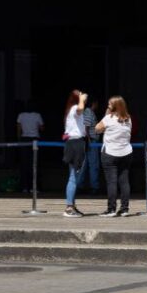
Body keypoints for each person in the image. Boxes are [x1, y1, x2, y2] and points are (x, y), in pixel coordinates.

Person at [95, 96, 133, 217]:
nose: (108, 106)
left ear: (116, 106)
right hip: (126, 152)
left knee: (111, 182)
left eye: (110, 104)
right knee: (124, 181)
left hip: (110, 153)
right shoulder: (128, 119)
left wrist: (106, 115)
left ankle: (111, 209)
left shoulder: (108, 118)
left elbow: (96, 129)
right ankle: (125, 208)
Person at [62, 89, 87, 218]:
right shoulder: (76, 109)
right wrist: (82, 98)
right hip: (76, 143)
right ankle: (69, 207)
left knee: (74, 176)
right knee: (73, 177)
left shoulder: (70, 110)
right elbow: (81, 108)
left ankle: (72, 205)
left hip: (73, 143)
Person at [16, 100, 44, 193]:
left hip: (24, 140)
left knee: (24, 164)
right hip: (35, 140)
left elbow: (19, 129)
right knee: (35, 164)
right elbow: (42, 128)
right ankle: (34, 187)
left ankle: (24, 187)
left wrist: (19, 139)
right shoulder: (37, 115)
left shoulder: (21, 115)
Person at [80, 97, 101, 194]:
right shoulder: (88, 112)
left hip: (89, 141)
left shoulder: (88, 112)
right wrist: (88, 141)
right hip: (90, 142)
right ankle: (94, 187)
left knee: (85, 165)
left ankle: (82, 186)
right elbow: (86, 128)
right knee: (93, 165)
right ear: (94, 103)